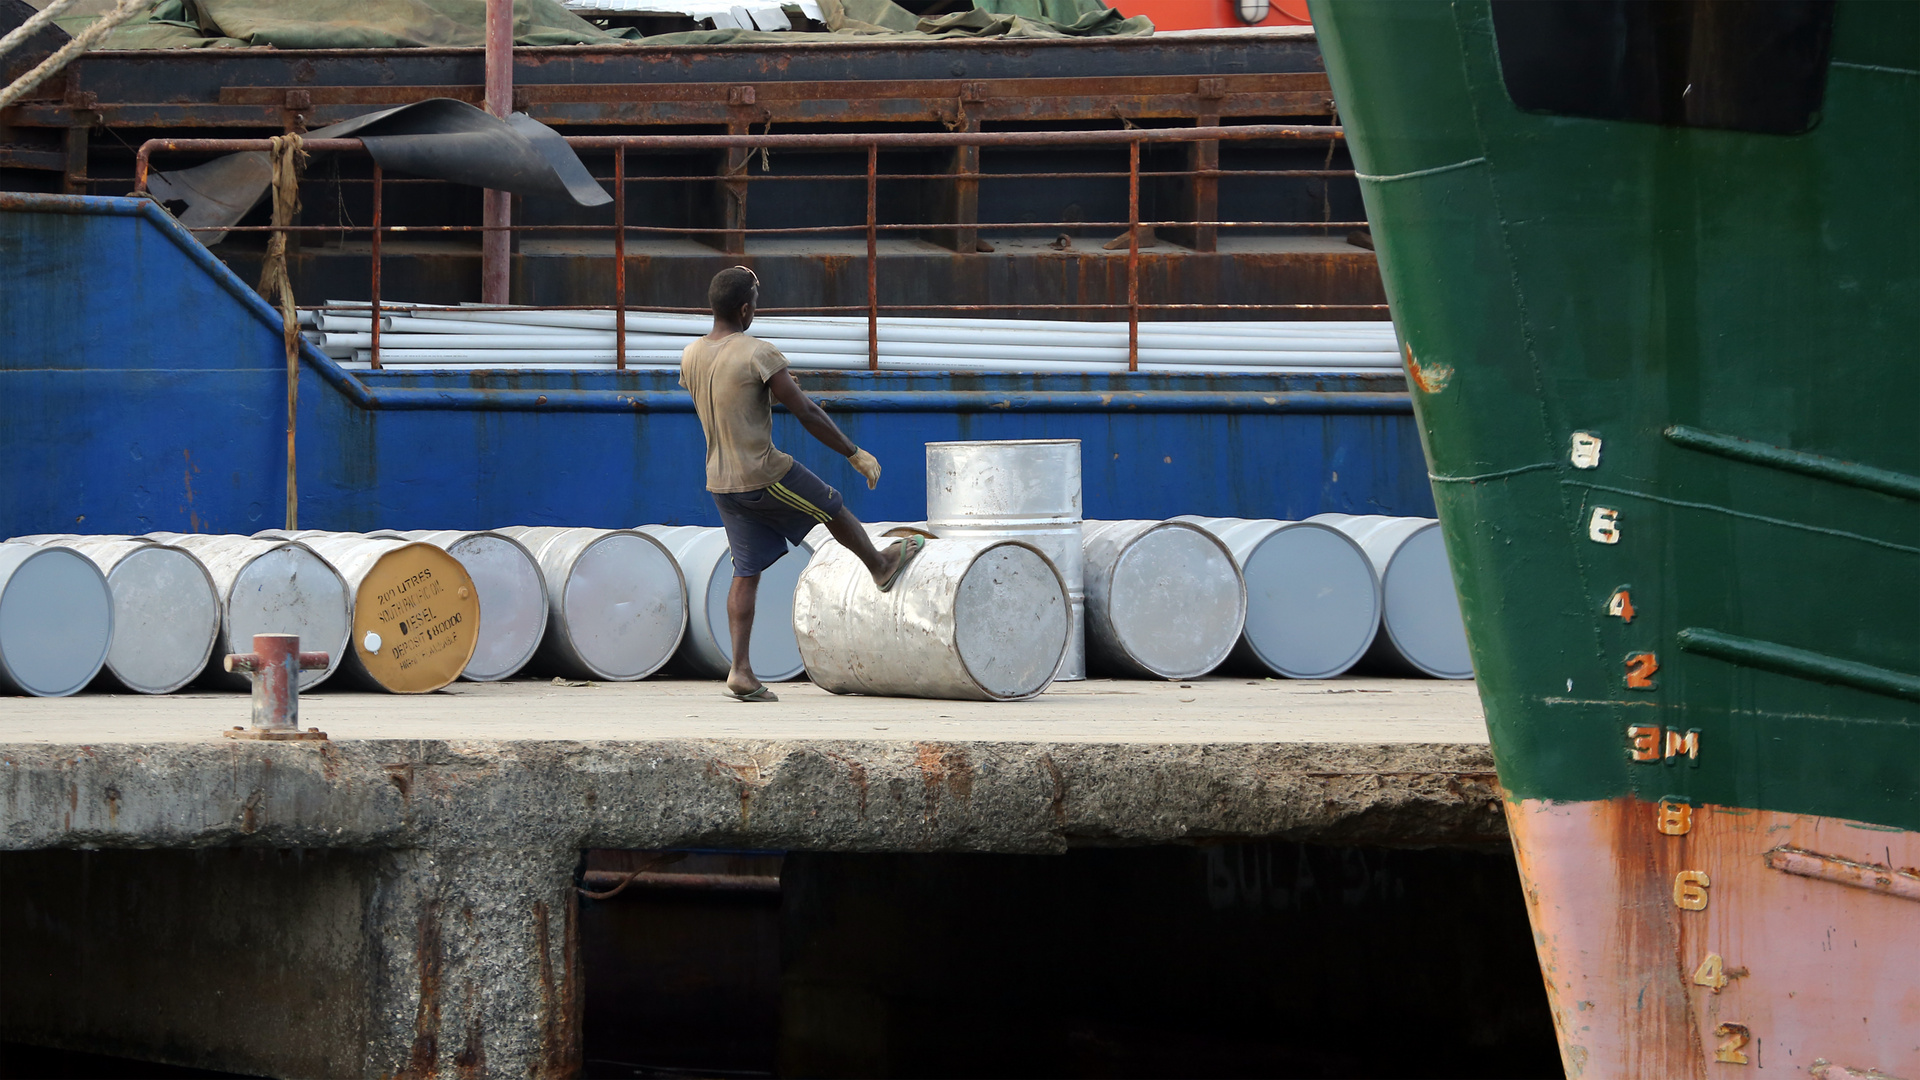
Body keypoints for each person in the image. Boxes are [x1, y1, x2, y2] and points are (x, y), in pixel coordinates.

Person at [680, 265, 925, 702]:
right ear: (744, 308)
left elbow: (723, 398)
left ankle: (740, 671)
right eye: (755, 300)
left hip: (719, 481)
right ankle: (880, 565)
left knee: (745, 571)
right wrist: (854, 453)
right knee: (831, 505)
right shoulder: (758, 352)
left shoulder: (691, 355)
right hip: (763, 472)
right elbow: (807, 412)